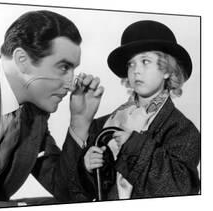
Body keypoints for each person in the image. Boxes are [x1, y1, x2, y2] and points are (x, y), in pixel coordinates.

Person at [0, 10, 104, 209]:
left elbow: (67, 193)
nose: (71, 84)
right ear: (22, 60)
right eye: (63, 67)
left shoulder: (34, 114)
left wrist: (79, 122)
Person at [76, 20, 200, 201]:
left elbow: (180, 189)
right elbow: (83, 192)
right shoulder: (103, 125)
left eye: (145, 61)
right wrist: (87, 168)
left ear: (166, 70)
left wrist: (134, 146)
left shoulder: (182, 130)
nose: (136, 71)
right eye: (131, 64)